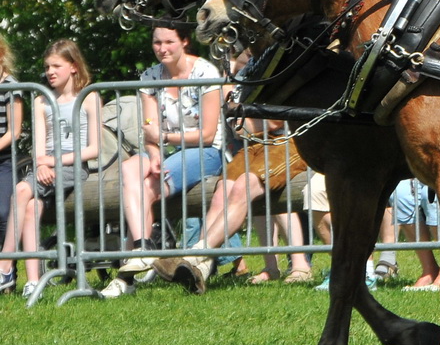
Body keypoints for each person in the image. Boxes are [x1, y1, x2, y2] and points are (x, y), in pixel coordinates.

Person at [106, 24, 224, 297]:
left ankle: (127, 275)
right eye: (157, 42)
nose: (162, 48)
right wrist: (156, 154)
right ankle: (142, 249)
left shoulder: (206, 73)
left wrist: (165, 139)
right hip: (165, 150)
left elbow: (207, 133)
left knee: (144, 190)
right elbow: (149, 130)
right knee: (129, 170)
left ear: (184, 42)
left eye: (169, 42)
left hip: (205, 151)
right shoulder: (150, 77)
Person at [154, 118, 314, 293]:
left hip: (288, 142)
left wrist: (242, 123)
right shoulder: (236, 90)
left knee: (244, 187)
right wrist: (241, 123)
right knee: (222, 192)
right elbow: (238, 125)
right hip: (253, 145)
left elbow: (273, 122)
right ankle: (203, 267)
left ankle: (301, 266)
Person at [12, 40, 102, 301]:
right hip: (45, 167)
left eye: (56, 66)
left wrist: (52, 162)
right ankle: (31, 280)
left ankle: (5, 265)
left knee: (20, 189)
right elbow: (39, 147)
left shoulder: (89, 96)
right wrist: (41, 163)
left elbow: (93, 149)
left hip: (73, 167)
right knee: (30, 207)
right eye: (47, 67)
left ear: (73, 67)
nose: (50, 72)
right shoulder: (41, 100)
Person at [0, 35, 21, 294]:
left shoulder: (11, 86)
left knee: (3, 213)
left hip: (5, 160)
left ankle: (7, 269)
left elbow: (14, 131)